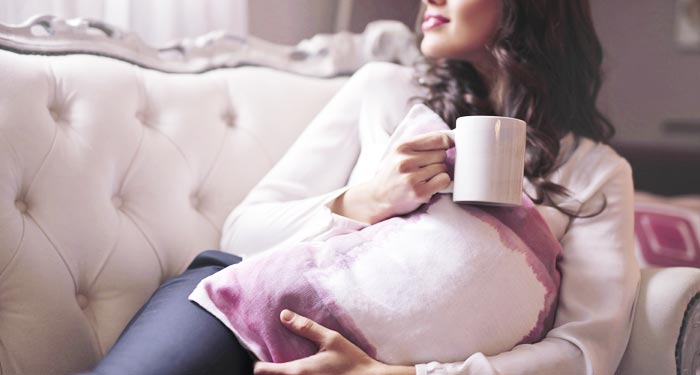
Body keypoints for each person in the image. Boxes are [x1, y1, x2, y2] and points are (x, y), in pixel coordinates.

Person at [85, 0, 640, 374]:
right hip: (242, 309)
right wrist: (367, 200)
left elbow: (584, 351)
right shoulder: (385, 91)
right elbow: (241, 230)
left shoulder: (594, 173)